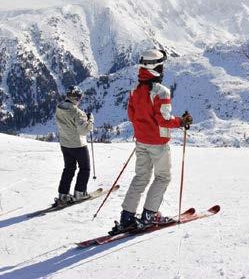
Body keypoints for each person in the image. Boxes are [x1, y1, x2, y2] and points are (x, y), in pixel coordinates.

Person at [110, 49, 193, 234]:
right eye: (161, 65)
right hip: (158, 143)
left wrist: (144, 129)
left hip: (141, 142)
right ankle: (149, 215)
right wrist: (181, 121)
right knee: (162, 177)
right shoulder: (161, 92)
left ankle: (127, 217)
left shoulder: (134, 90)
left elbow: (132, 116)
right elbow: (163, 120)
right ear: (156, 68)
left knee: (141, 177)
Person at [54, 85, 94, 205]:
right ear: (76, 97)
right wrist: (90, 121)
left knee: (69, 169)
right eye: (80, 97)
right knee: (85, 168)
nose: (80, 100)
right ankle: (80, 193)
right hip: (78, 145)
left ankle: (63, 195)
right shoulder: (78, 112)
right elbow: (84, 131)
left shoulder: (59, 107)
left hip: (65, 144)